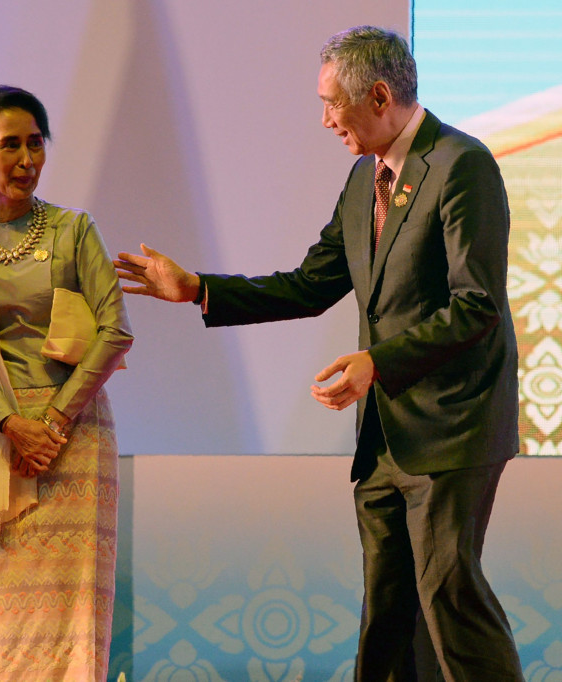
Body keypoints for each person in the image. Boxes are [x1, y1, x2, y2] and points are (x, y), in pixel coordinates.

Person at [115, 26, 522, 682]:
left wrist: (376, 362)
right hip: (385, 440)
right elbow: (310, 286)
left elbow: (476, 308)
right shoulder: (365, 181)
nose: (325, 119)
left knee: (450, 600)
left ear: (381, 95)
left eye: (333, 103)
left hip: (454, 428)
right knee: (389, 614)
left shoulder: (460, 164)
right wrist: (198, 289)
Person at [0, 85, 133, 681]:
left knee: (72, 616)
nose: (27, 159)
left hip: (73, 439)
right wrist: (12, 423)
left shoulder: (75, 231)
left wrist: (52, 422)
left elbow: (115, 332)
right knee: (2, 616)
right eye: (10, 145)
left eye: (35, 143)